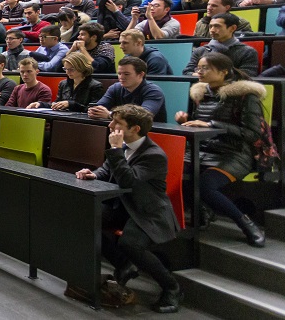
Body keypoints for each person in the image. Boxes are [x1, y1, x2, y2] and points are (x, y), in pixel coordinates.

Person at [75, 105, 182, 314]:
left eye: (118, 123)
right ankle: (124, 264)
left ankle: (172, 287)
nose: (111, 125)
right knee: (86, 218)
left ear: (135, 129)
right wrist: (93, 174)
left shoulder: (154, 155)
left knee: (130, 243)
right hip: (124, 206)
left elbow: (128, 180)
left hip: (148, 211)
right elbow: (108, 169)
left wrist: (115, 151)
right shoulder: (124, 146)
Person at [176, 52, 267, 247]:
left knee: (206, 186)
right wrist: (186, 121)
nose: (199, 72)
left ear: (224, 71)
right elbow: (200, 124)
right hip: (202, 150)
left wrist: (211, 124)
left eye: (205, 68)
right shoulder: (201, 93)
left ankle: (247, 224)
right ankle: (202, 211)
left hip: (234, 154)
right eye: (198, 68)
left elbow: (252, 134)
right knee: (170, 173)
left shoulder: (245, 96)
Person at [89, 57, 167, 122]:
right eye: (119, 73)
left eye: (126, 74)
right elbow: (99, 106)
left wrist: (111, 115)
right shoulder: (115, 88)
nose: (121, 77)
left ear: (141, 74)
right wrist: (94, 111)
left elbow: (143, 116)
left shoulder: (153, 91)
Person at [30, 52, 105, 111]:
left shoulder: (95, 86)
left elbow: (93, 110)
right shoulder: (63, 84)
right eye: (65, 69)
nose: (67, 72)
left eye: (71, 69)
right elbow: (57, 104)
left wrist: (71, 104)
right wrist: (41, 104)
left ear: (82, 67)